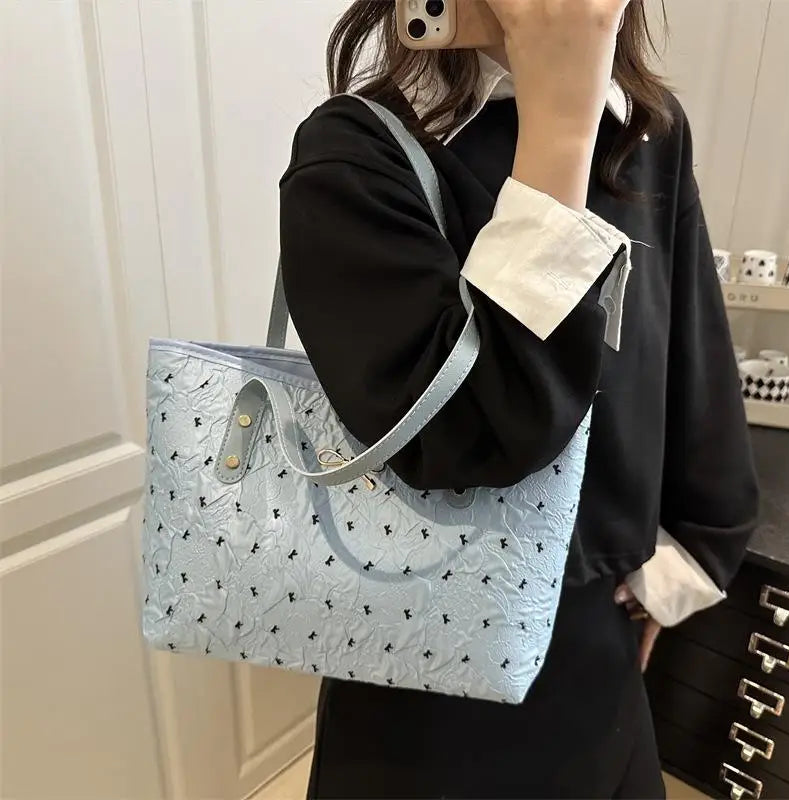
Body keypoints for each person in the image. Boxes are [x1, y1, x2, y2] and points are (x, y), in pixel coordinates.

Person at [279, 1, 759, 797]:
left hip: (596, 632)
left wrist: (691, 551)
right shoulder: (355, 150)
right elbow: (472, 436)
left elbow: (690, 350)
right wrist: (559, 132)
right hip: (418, 663)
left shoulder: (646, 133)